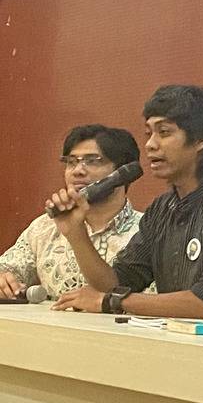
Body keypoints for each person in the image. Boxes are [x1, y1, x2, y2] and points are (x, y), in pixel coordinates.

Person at [47, 85, 203, 318]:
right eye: (149, 133)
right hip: (168, 344)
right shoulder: (162, 208)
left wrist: (111, 301)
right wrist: (76, 233)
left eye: (164, 132)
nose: (150, 144)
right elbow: (115, 284)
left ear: (200, 139)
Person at [0, 125, 145, 299]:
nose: (78, 171)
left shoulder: (146, 230)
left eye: (93, 161)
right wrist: (5, 280)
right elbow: (9, 268)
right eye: (71, 162)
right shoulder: (45, 226)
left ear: (123, 173)